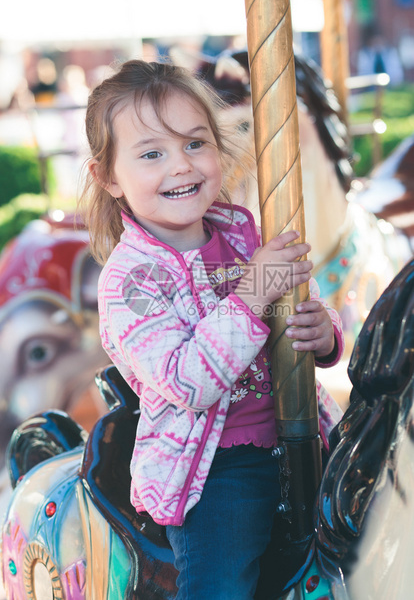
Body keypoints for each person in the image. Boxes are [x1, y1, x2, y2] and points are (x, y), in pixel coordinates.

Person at [79, 59, 344, 599]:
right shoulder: (130, 282)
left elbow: (304, 307)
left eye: (195, 144)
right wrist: (253, 292)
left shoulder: (246, 236)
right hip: (217, 471)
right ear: (107, 177)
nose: (181, 166)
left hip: (310, 437)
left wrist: (322, 333)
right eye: (152, 154)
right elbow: (185, 382)